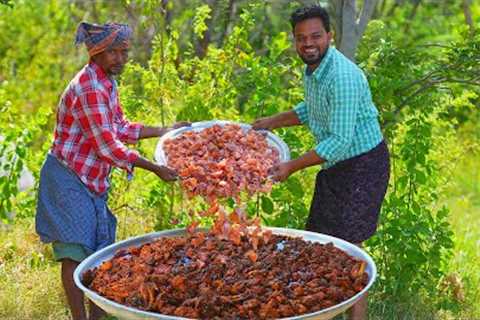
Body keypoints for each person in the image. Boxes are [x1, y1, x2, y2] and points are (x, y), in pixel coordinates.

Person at [35, 22, 188, 320]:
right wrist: (155, 168)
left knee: (98, 254)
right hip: (68, 177)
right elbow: (107, 146)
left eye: (124, 52)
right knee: (75, 252)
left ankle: (98, 316)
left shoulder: (106, 82)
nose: (120, 58)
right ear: (96, 53)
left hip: (89, 180)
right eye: (113, 52)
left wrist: (165, 130)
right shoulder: (89, 86)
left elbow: (119, 127)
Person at [252, 6, 390, 320]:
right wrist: (273, 121)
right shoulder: (314, 69)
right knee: (321, 244)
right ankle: (322, 310)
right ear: (295, 42)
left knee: (350, 246)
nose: (308, 43)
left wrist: (291, 166)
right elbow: (311, 109)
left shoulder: (341, 75)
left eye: (315, 36)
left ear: (330, 36)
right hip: (336, 167)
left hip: (363, 165)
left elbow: (340, 141)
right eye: (301, 38)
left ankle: (358, 317)